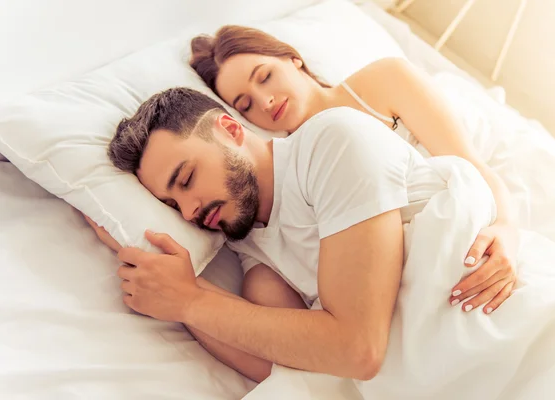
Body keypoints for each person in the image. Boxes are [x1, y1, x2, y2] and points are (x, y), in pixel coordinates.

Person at [85, 87, 511, 384]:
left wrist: (190, 299)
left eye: (188, 178)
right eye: (173, 206)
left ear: (230, 130)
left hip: (507, 331)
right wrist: (177, 295)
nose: (191, 209)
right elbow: (300, 372)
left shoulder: (332, 141)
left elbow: (357, 348)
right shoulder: (257, 263)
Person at [189, 25, 518, 311]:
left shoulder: (385, 81)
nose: (265, 101)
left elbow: (471, 164)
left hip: (462, 228)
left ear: (292, 58)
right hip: (399, 282)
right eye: (245, 104)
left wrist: (506, 230)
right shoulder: (291, 173)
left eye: (265, 77)